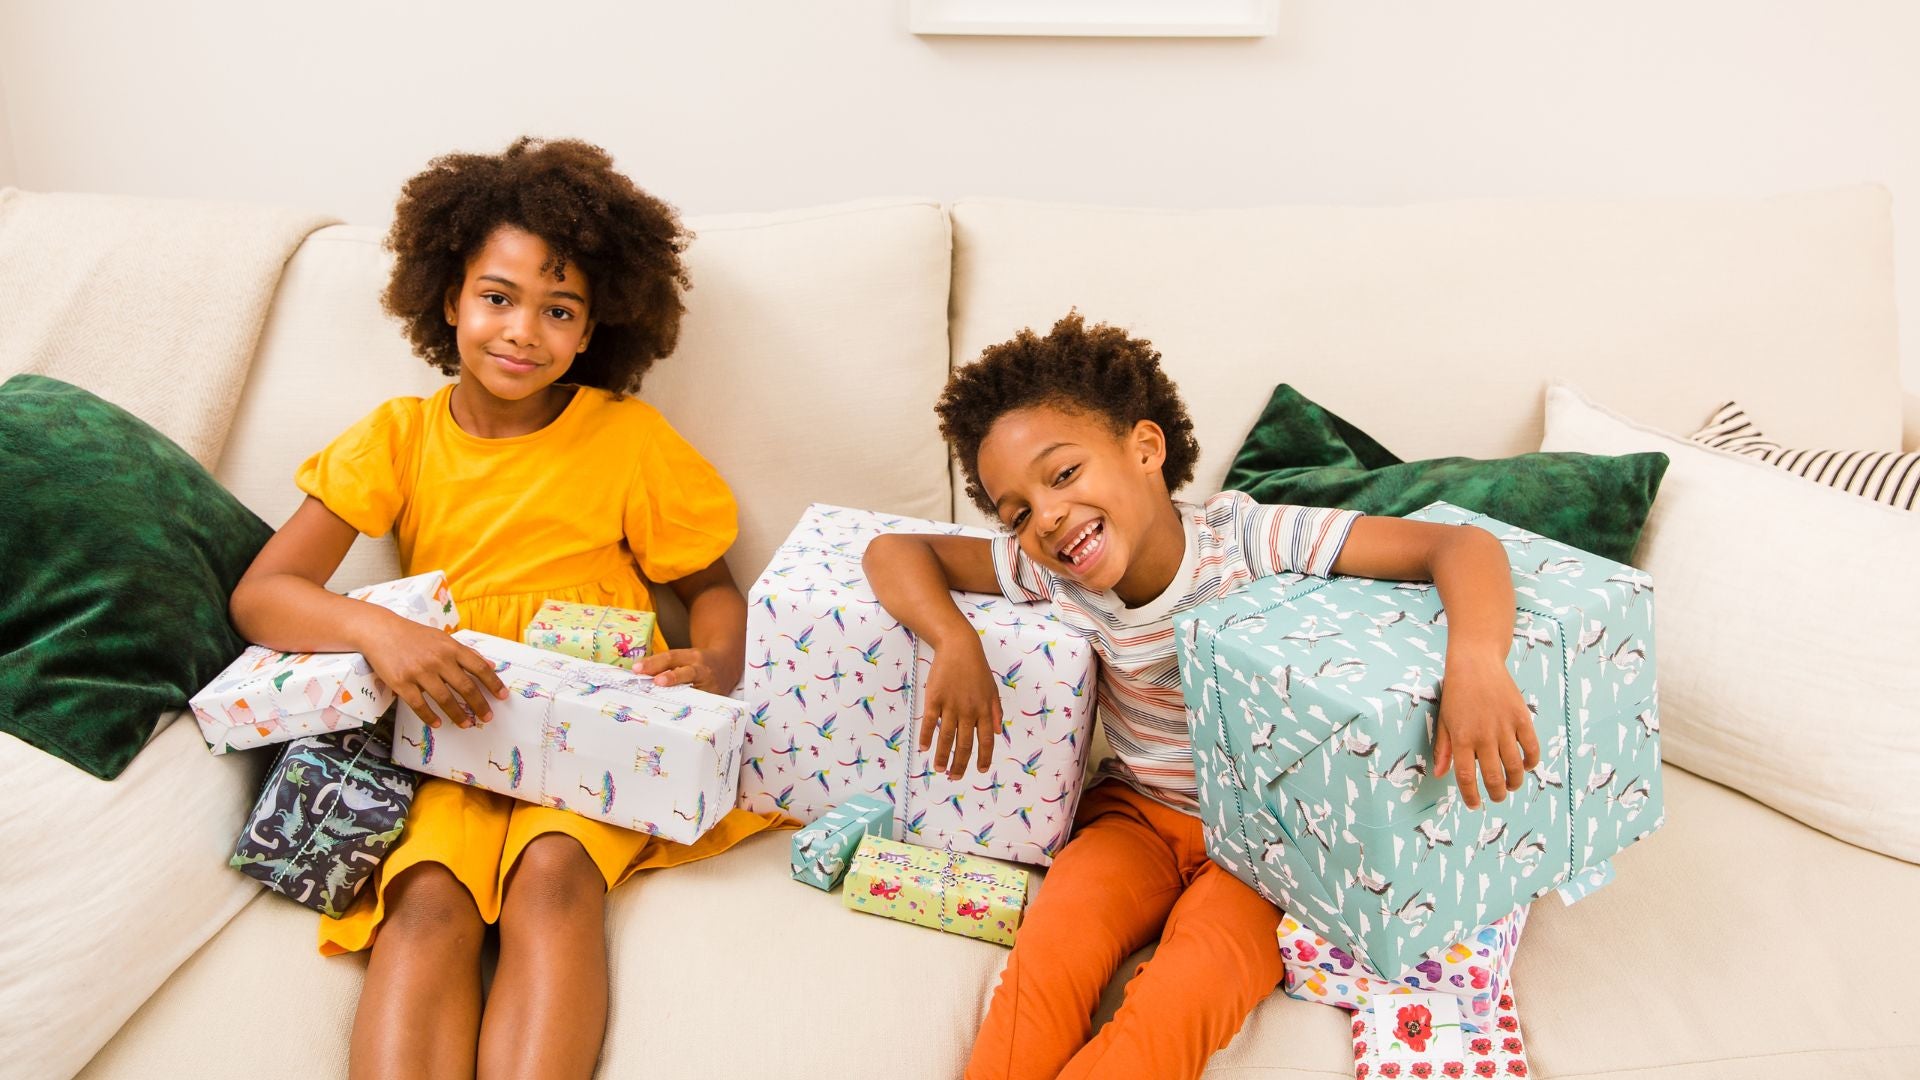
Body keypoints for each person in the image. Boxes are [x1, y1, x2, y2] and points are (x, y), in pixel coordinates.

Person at [229, 136, 783, 1079]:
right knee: (427, 895)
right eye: (498, 297)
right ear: (448, 300)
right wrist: (380, 630)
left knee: (554, 878)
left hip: (595, 729)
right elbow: (263, 596)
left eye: (557, 309)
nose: (523, 330)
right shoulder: (397, 439)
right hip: (455, 724)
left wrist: (715, 664)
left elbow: (711, 590)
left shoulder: (629, 440)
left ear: (593, 328)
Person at [863, 312, 1538, 1080]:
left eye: (1063, 474)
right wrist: (953, 639)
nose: (1044, 517)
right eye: (1016, 512)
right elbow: (894, 551)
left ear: (1145, 449)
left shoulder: (1250, 541)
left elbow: (1460, 546)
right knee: (1047, 964)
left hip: (1263, 849)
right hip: (1134, 819)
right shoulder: (1048, 571)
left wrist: (1477, 660)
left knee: (1183, 1000)